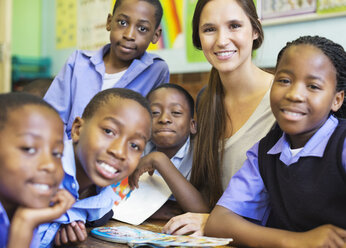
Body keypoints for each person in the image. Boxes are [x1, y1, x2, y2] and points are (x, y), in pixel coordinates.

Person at [205, 35, 346, 247]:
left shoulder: (341, 145)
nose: (294, 94)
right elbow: (218, 222)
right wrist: (298, 242)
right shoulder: (265, 152)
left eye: (313, 86)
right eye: (284, 81)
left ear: (337, 100)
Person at [163, 0, 275, 235]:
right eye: (209, 29)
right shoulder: (204, 100)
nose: (222, 40)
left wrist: (213, 224)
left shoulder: (283, 101)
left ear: (255, 30)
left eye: (234, 25)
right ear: (199, 38)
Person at [38, 88, 152, 247]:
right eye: (109, 131)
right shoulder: (36, 168)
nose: (119, 152)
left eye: (134, 145)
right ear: (78, 129)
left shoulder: (102, 203)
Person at [44, 0, 169, 139]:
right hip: (68, 153)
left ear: (156, 35)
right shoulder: (78, 62)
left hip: (120, 155)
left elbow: (151, 130)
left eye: (142, 29)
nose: (129, 35)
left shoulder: (156, 71)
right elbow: (50, 117)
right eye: (122, 23)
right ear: (109, 22)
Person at [0, 92, 75, 248]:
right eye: (29, 149)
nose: (50, 165)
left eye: (57, 154)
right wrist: (23, 226)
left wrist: (26, 221)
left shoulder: (25, 208)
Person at [128, 83, 203, 220]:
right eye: (155, 113)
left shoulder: (200, 155)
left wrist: (159, 160)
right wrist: (152, 211)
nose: (164, 119)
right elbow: (113, 198)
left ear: (192, 125)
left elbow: (200, 211)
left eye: (176, 113)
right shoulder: (135, 149)